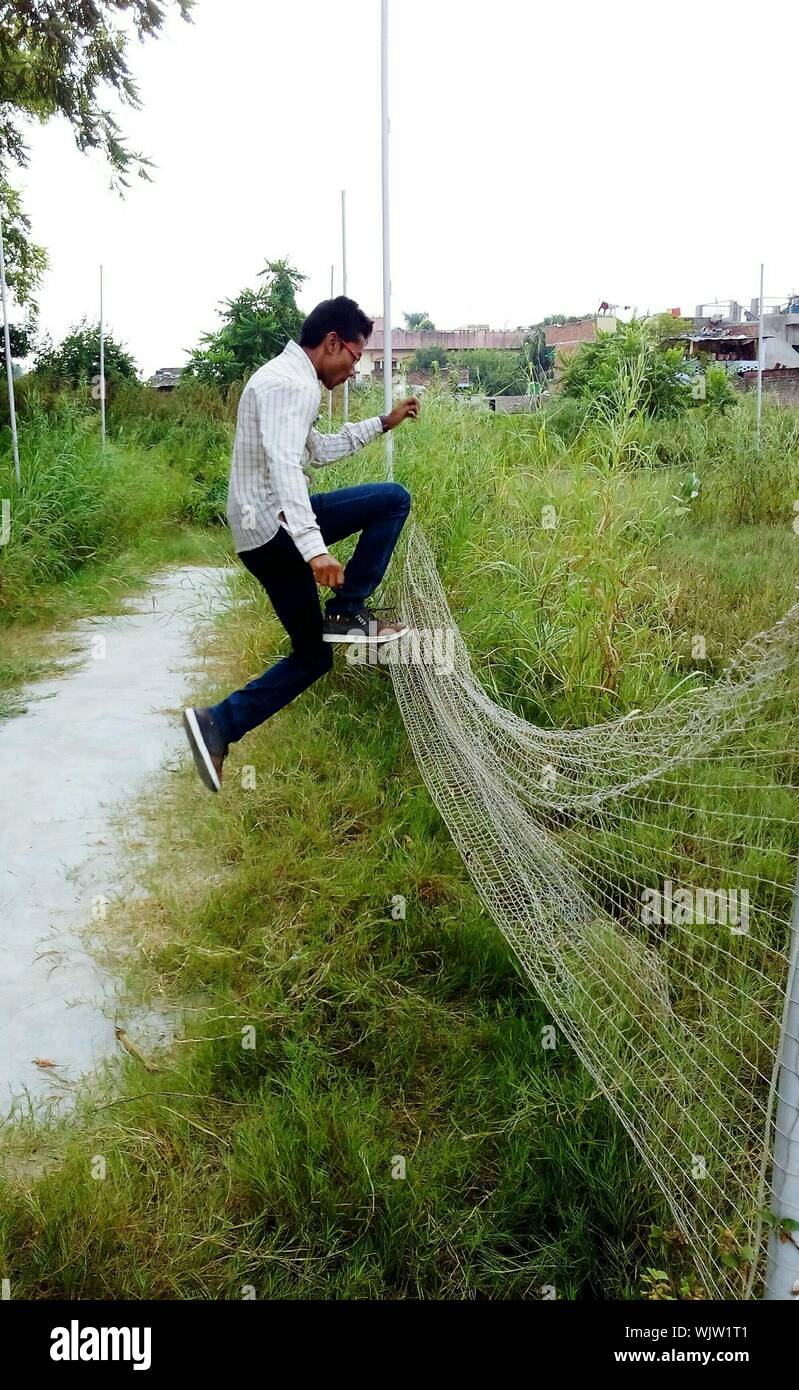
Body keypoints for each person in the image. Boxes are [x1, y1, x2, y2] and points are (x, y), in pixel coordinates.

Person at [183, 295, 420, 793]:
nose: (354, 370)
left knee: (313, 657)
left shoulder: (285, 380)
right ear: (332, 342)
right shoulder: (290, 386)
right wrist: (315, 548)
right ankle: (348, 609)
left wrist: (382, 423)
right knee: (393, 499)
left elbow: (318, 450)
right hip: (276, 531)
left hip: (261, 537)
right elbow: (286, 469)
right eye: (354, 357)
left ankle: (217, 725)